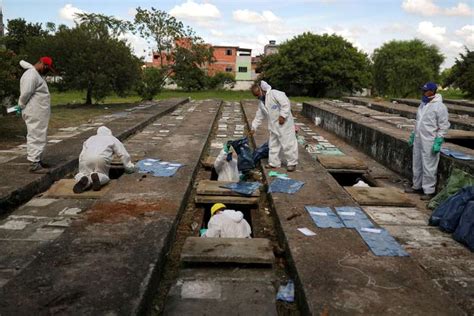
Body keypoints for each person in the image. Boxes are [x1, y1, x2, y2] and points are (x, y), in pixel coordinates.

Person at [406, 82, 450, 200]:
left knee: (429, 165)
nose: (423, 93)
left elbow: (444, 125)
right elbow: (418, 122)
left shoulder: (440, 107)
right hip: (419, 138)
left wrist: (439, 140)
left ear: (432, 91)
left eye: (425, 91)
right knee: (417, 162)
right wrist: (413, 135)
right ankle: (417, 186)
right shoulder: (423, 104)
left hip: (430, 140)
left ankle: (429, 190)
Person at [250, 81, 298, 172]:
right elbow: (259, 116)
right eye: (256, 96)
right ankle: (274, 163)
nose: (258, 97)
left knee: (288, 144)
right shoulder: (262, 103)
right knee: (273, 145)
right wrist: (253, 127)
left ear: (262, 90)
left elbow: (285, 103)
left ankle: (292, 163)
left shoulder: (275, 94)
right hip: (273, 126)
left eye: (258, 94)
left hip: (284, 124)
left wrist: (282, 115)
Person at [18, 57, 55, 172]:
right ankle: (34, 163)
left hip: (38, 112)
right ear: (41, 63)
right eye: (46, 67)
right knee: (35, 136)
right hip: (34, 111)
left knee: (39, 135)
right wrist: (21, 104)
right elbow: (26, 93)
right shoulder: (31, 75)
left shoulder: (35, 75)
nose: (46, 70)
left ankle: (37, 159)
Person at [73, 126, 135, 193]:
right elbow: (123, 154)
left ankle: (84, 179)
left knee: (82, 173)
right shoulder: (112, 138)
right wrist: (128, 166)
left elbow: (82, 153)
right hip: (101, 158)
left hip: (85, 159)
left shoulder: (90, 138)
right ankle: (97, 178)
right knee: (104, 175)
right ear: (109, 133)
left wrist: (81, 168)